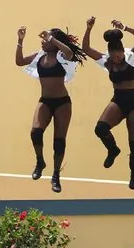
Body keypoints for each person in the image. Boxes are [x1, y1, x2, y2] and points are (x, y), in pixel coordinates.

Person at [16, 26, 86, 193]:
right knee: (35, 132)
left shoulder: (63, 56)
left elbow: (69, 52)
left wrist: (52, 39)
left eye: (46, 40)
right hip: (45, 101)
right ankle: (40, 162)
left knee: (59, 141)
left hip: (62, 103)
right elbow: (19, 61)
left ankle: (56, 175)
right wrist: (20, 40)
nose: (43, 41)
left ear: (54, 43)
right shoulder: (39, 56)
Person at [82, 17, 134, 189]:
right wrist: (89, 28)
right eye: (114, 57)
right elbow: (86, 49)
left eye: (119, 57)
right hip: (119, 100)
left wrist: (125, 27)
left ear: (122, 52)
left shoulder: (132, 57)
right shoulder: (107, 61)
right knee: (100, 128)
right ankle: (113, 150)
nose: (117, 60)